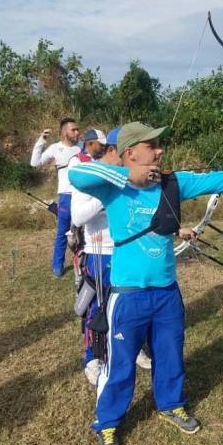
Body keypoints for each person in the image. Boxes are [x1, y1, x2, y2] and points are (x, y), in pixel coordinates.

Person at [68, 121, 223, 445]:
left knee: (169, 352)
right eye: (152, 145)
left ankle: (171, 404)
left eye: (159, 144)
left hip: (166, 292)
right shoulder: (113, 188)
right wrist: (127, 176)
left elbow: (217, 180)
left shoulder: (171, 183)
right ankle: (108, 421)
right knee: (119, 363)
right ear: (131, 152)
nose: (159, 150)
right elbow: (78, 177)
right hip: (127, 294)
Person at [70, 128, 152, 385]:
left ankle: (134, 346)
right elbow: (78, 217)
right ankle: (92, 359)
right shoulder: (90, 175)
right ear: (113, 150)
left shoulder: (129, 175)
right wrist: (108, 195)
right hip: (99, 252)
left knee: (131, 305)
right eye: (127, 153)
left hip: (127, 251)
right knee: (97, 307)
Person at [30, 118, 81, 277]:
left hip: (82, 196)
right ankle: (57, 267)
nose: (77, 133)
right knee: (62, 233)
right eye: (73, 130)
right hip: (65, 196)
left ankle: (83, 265)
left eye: (77, 129)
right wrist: (41, 140)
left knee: (83, 232)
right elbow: (34, 163)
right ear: (64, 132)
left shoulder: (81, 148)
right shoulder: (54, 148)